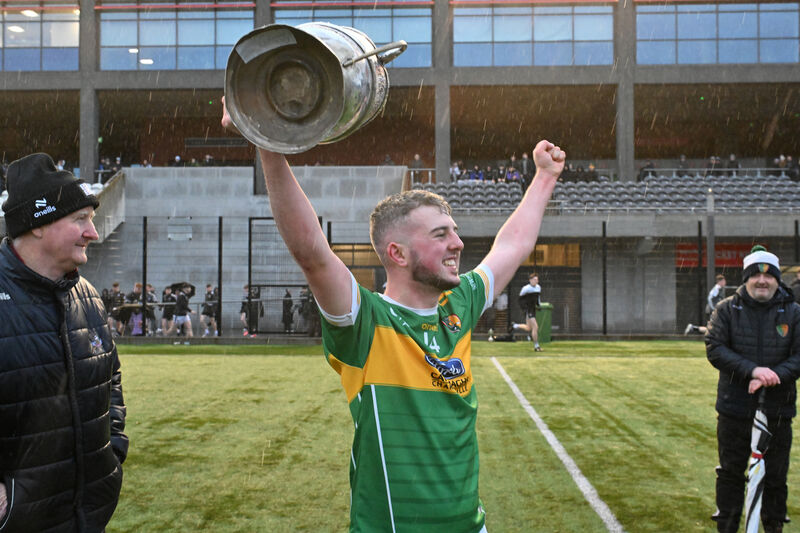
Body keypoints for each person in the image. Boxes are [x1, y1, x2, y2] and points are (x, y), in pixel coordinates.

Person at [222, 96, 565, 532]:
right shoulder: (366, 321)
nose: (458, 243)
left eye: (454, 231)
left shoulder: (459, 304)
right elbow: (312, 253)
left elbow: (512, 245)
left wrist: (544, 177)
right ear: (397, 254)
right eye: (440, 235)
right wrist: (266, 142)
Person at [0, 153, 127, 531]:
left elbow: (111, 379)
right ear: (38, 224)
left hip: (88, 517)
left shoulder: (87, 296)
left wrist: (112, 451)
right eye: (80, 219)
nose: (93, 233)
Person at [706, 245, 800, 533]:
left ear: (777, 280)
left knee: (775, 477)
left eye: (769, 276)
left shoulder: (794, 312)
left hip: (778, 410)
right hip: (734, 408)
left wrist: (774, 375)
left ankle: (773, 526)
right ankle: (727, 525)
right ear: (746, 278)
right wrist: (753, 370)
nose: (762, 281)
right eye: (756, 276)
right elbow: (715, 348)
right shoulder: (726, 309)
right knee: (730, 473)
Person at [511, 272, 544, 351]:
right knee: (535, 327)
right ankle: (536, 346)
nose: (536, 281)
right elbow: (520, 300)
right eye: (534, 280)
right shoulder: (526, 288)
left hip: (533, 309)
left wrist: (539, 305)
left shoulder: (538, 287)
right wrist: (525, 309)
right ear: (530, 280)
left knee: (529, 328)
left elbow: (538, 298)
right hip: (528, 310)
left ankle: (515, 326)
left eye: (537, 280)